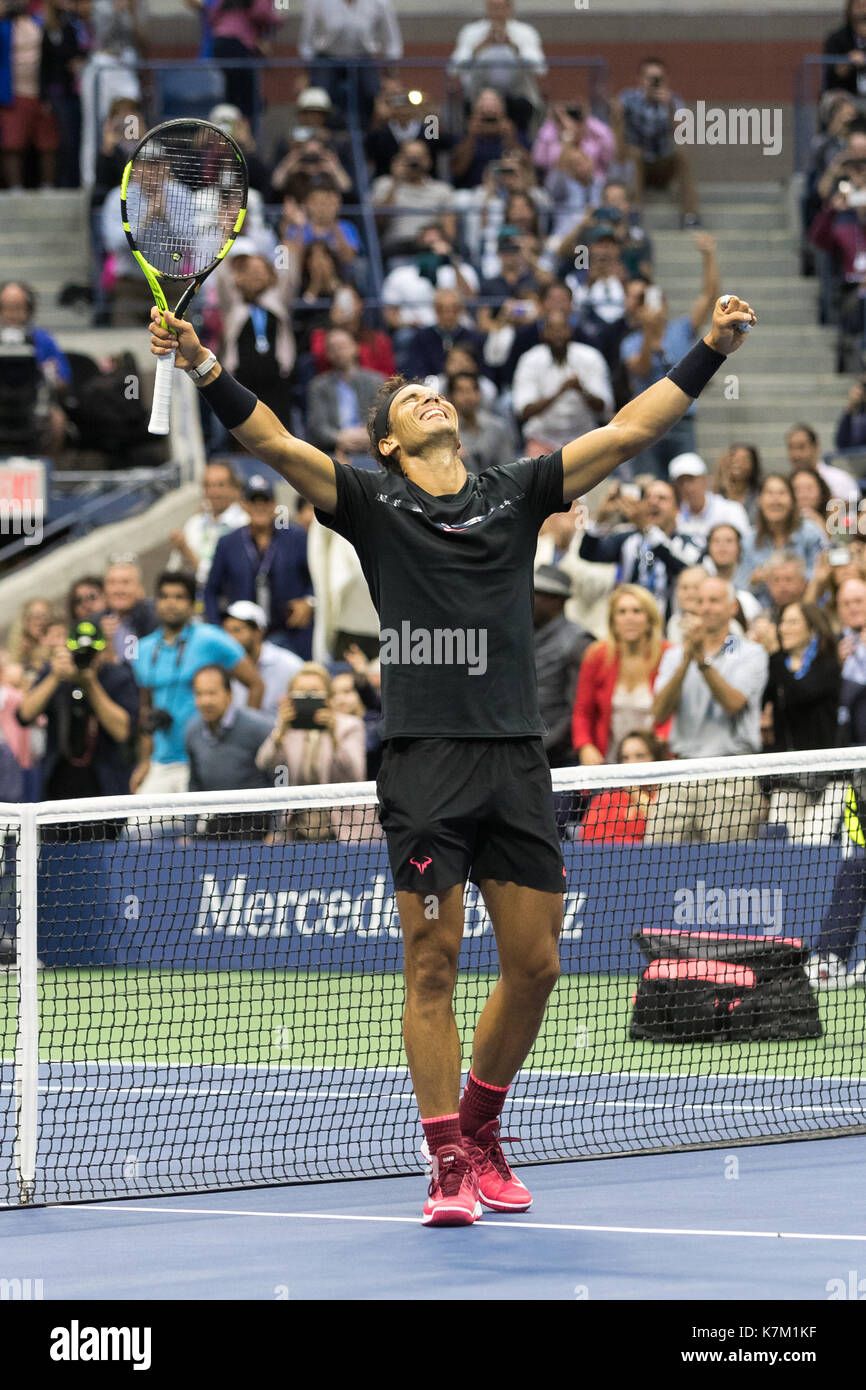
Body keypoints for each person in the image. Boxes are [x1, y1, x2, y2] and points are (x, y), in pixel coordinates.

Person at [149, 280, 756, 1223]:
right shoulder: (370, 500)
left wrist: (711, 348)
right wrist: (201, 362)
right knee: (431, 962)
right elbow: (270, 441)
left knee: (537, 964)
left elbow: (632, 431)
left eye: (439, 392)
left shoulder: (517, 491)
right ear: (390, 440)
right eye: (410, 400)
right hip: (427, 762)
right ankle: (444, 1162)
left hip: (516, 758)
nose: (432, 396)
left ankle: (481, 1128)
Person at [646, 575, 768, 843]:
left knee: (728, 870)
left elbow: (733, 703)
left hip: (732, 773)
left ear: (732, 607)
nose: (706, 608)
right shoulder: (675, 655)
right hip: (681, 772)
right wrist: (687, 659)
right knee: (655, 860)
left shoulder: (751, 652)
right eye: (700, 601)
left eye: (714, 600)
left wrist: (701, 661)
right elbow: (659, 713)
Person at [130, 571, 264, 794]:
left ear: (192, 604)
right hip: (161, 762)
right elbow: (146, 708)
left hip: (206, 758)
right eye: (164, 597)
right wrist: (145, 761)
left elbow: (256, 684)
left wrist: (242, 740)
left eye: (179, 597)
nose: (171, 603)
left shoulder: (212, 639)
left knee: (202, 829)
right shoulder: (142, 649)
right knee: (137, 830)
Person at [618, 235, 719, 476]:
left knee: (687, 480)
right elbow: (641, 369)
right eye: (645, 302)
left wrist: (709, 255)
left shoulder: (681, 329)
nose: (655, 306)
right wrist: (648, 336)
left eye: (658, 299)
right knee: (649, 482)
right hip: (645, 422)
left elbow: (709, 297)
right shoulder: (631, 342)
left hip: (681, 420)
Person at [16, 617, 139, 800]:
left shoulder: (118, 677)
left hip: (105, 788)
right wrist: (54, 677)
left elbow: (122, 732)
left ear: (103, 649)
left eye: (91, 652)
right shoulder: (56, 674)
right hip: (56, 788)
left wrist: (90, 683)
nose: (85, 656)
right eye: (78, 651)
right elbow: (24, 715)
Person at [205, 475, 315, 660]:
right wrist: (218, 628)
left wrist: (310, 602)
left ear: (274, 505)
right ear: (243, 505)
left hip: (289, 630)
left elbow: (316, 577)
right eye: (253, 501)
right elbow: (210, 590)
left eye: (265, 501)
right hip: (243, 634)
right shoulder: (228, 543)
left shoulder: (295, 537)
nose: (259, 507)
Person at [255, 662, 366, 839]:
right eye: (301, 692)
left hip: (343, 830)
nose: (308, 697)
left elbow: (355, 774)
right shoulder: (287, 728)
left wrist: (333, 734)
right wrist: (280, 731)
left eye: (314, 692)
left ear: (328, 696)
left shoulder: (349, 726)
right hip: (297, 831)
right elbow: (264, 763)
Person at [571, 583, 671, 766]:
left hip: (657, 760)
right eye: (622, 612)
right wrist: (585, 745)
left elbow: (676, 711)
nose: (629, 618)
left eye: (636, 611)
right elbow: (582, 711)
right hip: (608, 761)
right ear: (613, 621)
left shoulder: (669, 653)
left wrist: (662, 740)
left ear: (650, 619)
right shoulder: (596, 655)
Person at [579, 478, 703, 623]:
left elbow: (686, 568)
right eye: (647, 497)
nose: (653, 502)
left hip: (671, 625)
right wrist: (600, 520)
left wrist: (647, 529)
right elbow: (588, 553)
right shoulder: (628, 539)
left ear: (677, 509)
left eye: (661, 498)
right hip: (630, 623)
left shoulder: (689, 542)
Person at [612, 56, 701, 229]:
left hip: (662, 163)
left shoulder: (673, 100)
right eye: (649, 78)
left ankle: (691, 215)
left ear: (665, 80)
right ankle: (634, 214)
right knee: (634, 153)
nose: (653, 83)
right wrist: (617, 113)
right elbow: (615, 125)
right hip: (637, 164)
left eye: (657, 78)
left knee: (682, 155)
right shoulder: (628, 97)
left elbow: (682, 132)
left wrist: (669, 107)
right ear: (640, 79)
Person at [512, 310, 613, 456]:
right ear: (544, 333)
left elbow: (604, 407)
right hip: (542, 439)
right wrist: (560, 392)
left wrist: (582, 391)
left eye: (562, 329)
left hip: (583, 439)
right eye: (552, 329)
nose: (557, 335)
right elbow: (524, 411)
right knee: (534, 474)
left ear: (570, 331)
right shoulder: (530, 359)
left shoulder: (590, 357)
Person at [449, 0, 546, 134]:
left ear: (510, 8)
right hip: (478, 96)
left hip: (516, 95)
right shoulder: (471, 32)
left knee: (523, 111)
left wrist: (514, 47)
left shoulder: (525, 32)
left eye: (501, 7)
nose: (497, 11)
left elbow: (540, 68)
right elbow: (453, 69)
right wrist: (479, 48)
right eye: (493, 7)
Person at [298, 0, 403, 122]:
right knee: (318, 95)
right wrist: (306, 73)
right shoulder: (316, 2)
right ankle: (322, 133)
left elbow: (392, 40)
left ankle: (370, 132)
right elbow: (306, 40)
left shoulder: (380, 3)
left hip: (362, 58)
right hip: (327, 58)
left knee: (374, 92)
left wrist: (391, 75)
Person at [533, 564, 592, 767]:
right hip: (526, 751)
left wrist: (542, 746)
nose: (529, 599)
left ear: (555, 601)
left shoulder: (578, 641)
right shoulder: (522, 634)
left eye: (537, 594)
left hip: (559, 757)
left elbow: (576, 708)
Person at [763, 603, 841, 753]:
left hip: (819, 762)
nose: (783, 629)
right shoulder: (777, 663)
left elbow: (801, 695)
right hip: (781, 761)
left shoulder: (827, 665)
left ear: (812, 628)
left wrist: (775, 654)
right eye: (782, 622)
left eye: (792, 622)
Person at [186, 664, 273, 793]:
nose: (205, 701)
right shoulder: (192, 732)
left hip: (257, 812)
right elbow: (194, 784)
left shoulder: (259, 727)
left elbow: (281, 772)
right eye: (199, 694)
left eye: (212, 693)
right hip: (215, 812)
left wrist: (279, 811)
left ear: (229, 694)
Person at [167, 459, 249, 592]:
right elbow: (173, 570)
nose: (213, 492)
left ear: (235, 489)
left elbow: (221, 578)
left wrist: (187, 553)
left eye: (220, 485)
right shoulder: (195, 523)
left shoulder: (244, 525)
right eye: (208, 485)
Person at [305, 328, 385, 462]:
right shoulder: (318, 386)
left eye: (342, 346)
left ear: (355, 348)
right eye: (333, 348)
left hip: (371, 449)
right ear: (327, 354)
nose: (338, 352)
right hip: (332, 452)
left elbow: (383, 421)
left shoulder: (375, 381)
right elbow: (318, 427)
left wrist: (367, 436)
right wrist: (340, 438)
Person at [743, 474, 828, 597]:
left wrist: (793, 576)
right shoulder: (749, 540)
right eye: (769, 493)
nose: (775, 500)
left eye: (782, 493)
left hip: (806, 602)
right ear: (759, 500)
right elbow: (739, 584)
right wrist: (753, 580)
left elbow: (823, 570)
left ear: (793, 500)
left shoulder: (810, 532)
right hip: (762, 608)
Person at [370, 141, 455, 262]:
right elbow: (377, 223)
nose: (414, 162)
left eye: (419, 157)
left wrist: (430, 236)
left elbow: (450, 233)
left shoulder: (442, 190)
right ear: (399, 159)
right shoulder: (384, 184)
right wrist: (396, 181)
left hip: (430, 247)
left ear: (429, 160)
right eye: (409, 157)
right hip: (397, 248)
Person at [578, 729, 667, 843]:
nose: (632, 763)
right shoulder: (605, 800)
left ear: (655, 759)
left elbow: (663, 827)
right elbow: (589, 838)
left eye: (640, 756)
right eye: (625, 758)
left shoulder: (666, 797)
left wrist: (635, 793)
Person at [222, 599, 303, 722]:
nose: (230, 638)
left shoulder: (291, 665)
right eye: (227, 631)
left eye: (237, 630)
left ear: (258, 632)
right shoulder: (223, 665)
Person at [209, 0, 280, 122]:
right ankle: (246, 131)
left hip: (219, 44)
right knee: (247, 96)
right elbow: (260, 12)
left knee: (233, 90)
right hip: (238, 45)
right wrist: (278, 19)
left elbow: (212, 16)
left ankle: (233, 125)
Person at [669, 452, 752, 546]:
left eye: (691, 480)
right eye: (681, 482)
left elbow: (745, 546)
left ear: (704, 479)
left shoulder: (731, 510)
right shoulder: (675, 517)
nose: (686, 487)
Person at [405, 289, 484, 382]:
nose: (448, 315)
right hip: (431, 390)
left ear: (461, 309)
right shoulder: (421, 338)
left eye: (454, 309)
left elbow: (483, 371)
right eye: (441, 310)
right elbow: (415, 371)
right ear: (435, 310)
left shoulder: (474, 338)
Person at [449, 370, 515, 475]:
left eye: (472, 390)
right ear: (451, 396)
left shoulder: (498, 427)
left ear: (479, 393)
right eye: (461, 391)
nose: (467, 396)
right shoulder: (445, 433)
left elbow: (508, 468)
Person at [785, 422, 860, 508]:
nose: (796, 454)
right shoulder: (785, 484)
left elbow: (854, 515)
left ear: (816, 447)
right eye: (791, 447)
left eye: (801, 447)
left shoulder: (840, 480)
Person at [100, 558, 157, 663]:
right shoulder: (95, 623)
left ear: (140, 588)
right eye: (112, 583)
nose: (118, 590)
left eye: (125, 582)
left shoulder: (157, 618)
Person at [822, 0, 866, 93]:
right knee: (843, 106)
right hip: (844, 92)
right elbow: (833, 72)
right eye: (859, 5)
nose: (863, 10)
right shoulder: (836, 39)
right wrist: (848, 61)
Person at [713, 444, 761, 525]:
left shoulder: (759, 493)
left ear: (753, 464)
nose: (738, 464)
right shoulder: (718, 493)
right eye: (733, 459)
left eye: (744, 459)